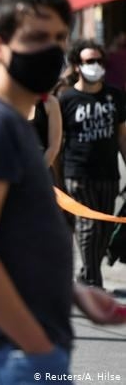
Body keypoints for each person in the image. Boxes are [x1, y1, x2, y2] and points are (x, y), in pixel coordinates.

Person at [0, 0, 126, 383]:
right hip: (7, 354)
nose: (52, 50)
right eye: (37, 37)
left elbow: (11, 242)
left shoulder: (8, 119)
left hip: (16, 350)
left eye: (59, 38)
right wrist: (36, 345)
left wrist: (70, 292)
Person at [60, 39, 126, 289]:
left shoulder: (115, 96)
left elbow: (122, 135)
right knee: (88, 226)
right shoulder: (68, 100)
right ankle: (92, 280)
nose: (95, 66)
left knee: (105, 227)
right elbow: (60, 140)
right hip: (78, 172)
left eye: (99, 61)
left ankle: (89, 271)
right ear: (77, 65)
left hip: (108, 173)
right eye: (89, 61)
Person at [28, 93, 62, 167]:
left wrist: (37, 172)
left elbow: (54, 147)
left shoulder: (50, 102)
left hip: (41, 169)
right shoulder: (10, 100)